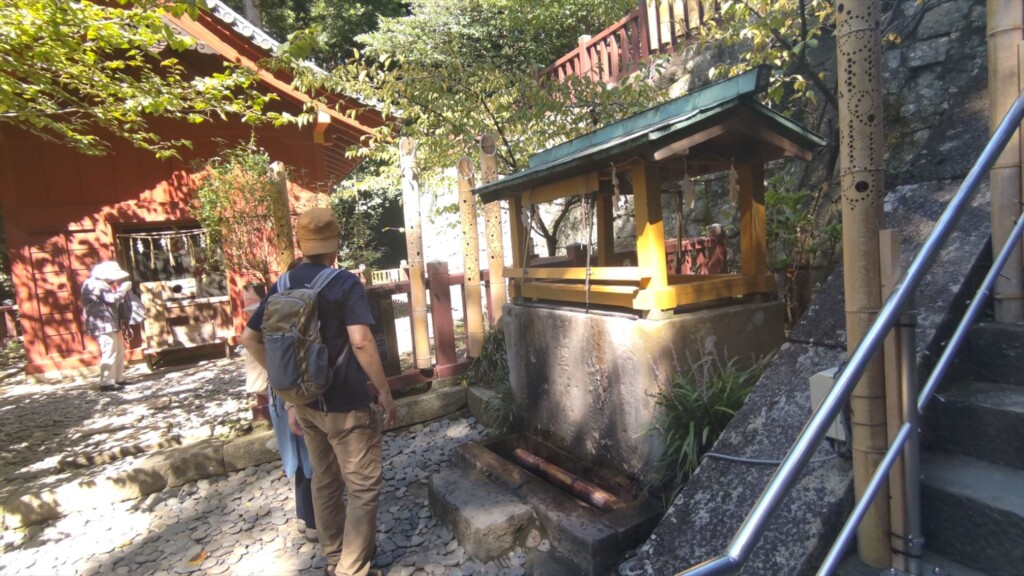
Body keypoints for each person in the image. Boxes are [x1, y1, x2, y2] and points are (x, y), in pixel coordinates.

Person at [241, 207, 397, 576]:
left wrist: (290, 394)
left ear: (302, 243)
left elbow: (249, 338)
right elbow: (361, 343)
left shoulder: (281, 285)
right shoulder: (344, 283)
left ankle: (334, 558)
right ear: (334, 244)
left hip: (305, 404)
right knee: (362, 487)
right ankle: (351, 570)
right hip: (345, 404)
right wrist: (385, 392)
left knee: (324, 480)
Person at [242, 276, 317, 542]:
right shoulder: (299, 308)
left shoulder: (274, 305)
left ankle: (304, 516)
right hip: (295, 391)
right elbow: (249, 339)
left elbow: (249, 339)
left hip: (279, 390)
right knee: (309, 455)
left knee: (298, 455)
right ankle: (312, 521)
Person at [80, 261, 132, 392]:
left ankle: (118, 378)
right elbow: (111, 299)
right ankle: (106, 382)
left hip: (110, 321)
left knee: (119, 350)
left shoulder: (99, 283)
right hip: (102, 323)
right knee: (109, 351)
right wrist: (123, 290)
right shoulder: (94, 283)